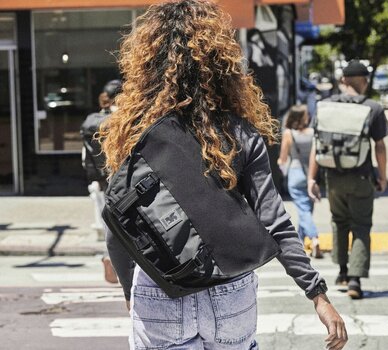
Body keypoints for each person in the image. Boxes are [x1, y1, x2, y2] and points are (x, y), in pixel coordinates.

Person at [99, 1, 347, 349]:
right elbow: (274, 221)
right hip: (230, 290)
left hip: (160, 288)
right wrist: (317, 294)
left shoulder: (136, 134)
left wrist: (130, 290)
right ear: (221, 64)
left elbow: (118, 225)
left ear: (146, 64)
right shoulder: (240, 134)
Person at [308, 60, 388, 299]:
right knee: (361, 226)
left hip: (332, 177)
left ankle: (342, 271)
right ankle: (355, 280)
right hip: (362, 176)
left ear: (343, 80)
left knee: (339, 221)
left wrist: (311, 178)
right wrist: (382, 176)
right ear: (364, 82)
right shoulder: (373, 108)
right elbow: (381, 146)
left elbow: (317, 144)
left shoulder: (325, 106)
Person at [80, 80, 122, 284]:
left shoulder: (91, 122)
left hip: (100, 181)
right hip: (121, 181)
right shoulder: (123, 119)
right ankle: (119, 264)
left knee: (108, 225)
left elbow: (85, 156)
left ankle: (109, 257)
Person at [278, 105, 323, 259]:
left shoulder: (288, 134)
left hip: (295, 174)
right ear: (302, 118)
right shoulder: (313, 133)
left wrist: (281, 166)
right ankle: (301, 244)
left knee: (304, 211)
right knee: (307, 210)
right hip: (312, 174)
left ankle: (314, 238)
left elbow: (283, 159)